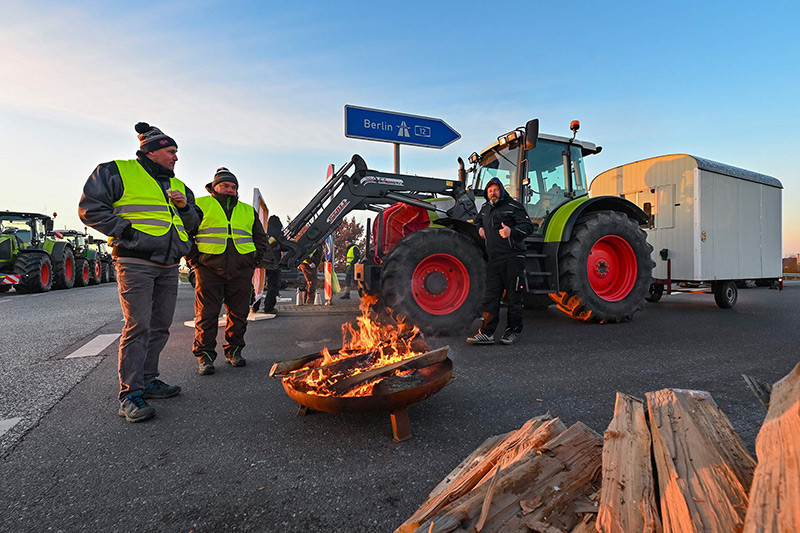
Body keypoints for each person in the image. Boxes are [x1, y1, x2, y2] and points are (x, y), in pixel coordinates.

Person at [79, 122, 200, 423]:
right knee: (138, 327)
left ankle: (148, 380)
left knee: (160, 327)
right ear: (153, 151)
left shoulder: (179, 187)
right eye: (171, 152)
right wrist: (128, 232)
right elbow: (89, 208)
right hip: (136, 262)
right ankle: (129, 395)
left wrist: (185, 208)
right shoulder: (115, 171)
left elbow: (193, 223)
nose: (175, 158)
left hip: (169, 265)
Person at [188, 167, 269, 376]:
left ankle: (234, 351)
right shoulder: (200, 204)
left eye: (233, 187)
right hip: (208, 269)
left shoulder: (246, 210)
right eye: (225, 185)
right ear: (214, 187)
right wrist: (195, 261)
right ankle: (204, 357)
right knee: (206, 315)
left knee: (239, 314)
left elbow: (260, 239)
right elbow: (186, 233)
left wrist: (251, 263)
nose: (230, 190)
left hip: (241, 270)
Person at [467, 177, 535, 346]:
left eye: (496, 189)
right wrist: (479, 228)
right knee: (491, 296)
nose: (493, 192)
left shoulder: (514, 207)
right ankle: (487, 332)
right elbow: (476, 221)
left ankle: (512, 331)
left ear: (501, 191)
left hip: (513, 257)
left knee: (514, 297)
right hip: (494, 259)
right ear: (487, 193)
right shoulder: (484, 208)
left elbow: (528, 226)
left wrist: (511, 231)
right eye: (490, 190)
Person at [252, 215, 293, 314]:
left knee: (257, 286)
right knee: (273, 286)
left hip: (260, 263)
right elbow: (283, 246)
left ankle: (254, 306)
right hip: (273, 263)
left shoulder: (262, 230)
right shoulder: (278, 233)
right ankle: (269, 307)